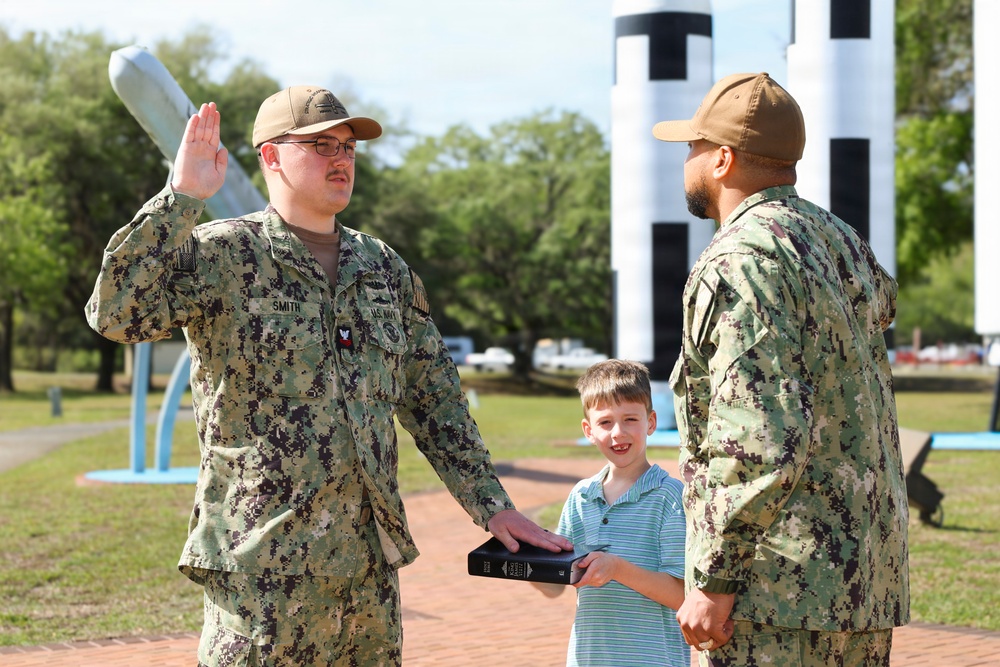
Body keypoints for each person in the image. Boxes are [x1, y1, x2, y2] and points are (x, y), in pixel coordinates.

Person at [85, 85, 571, 666]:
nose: (341, 158)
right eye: (320, 145)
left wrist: (492, 505)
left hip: (367, 572)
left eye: (348, 147)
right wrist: (182, 197)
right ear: (271, 157)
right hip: (262, 574)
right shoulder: (224, 255)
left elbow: (436, 403)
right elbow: (114, 315)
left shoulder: (384, 268)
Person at [654, 72, 909, 665]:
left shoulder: (740, 258)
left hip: (776, 594)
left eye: (692, 147)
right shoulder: (837, 238)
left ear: (722, 159)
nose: (685, 160)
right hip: (862, 581)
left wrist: (716, 578)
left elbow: (758, 438)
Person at [535, 359, 688, 667]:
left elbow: (683, 597)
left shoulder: (670, 496)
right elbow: (554, 586)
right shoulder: (580, 497)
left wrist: (616, 569)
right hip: (587, 659)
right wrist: (524, 561)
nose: (618, 433)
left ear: (651, 422)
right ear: (588, 430)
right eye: (605, 422)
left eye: (630, 418)